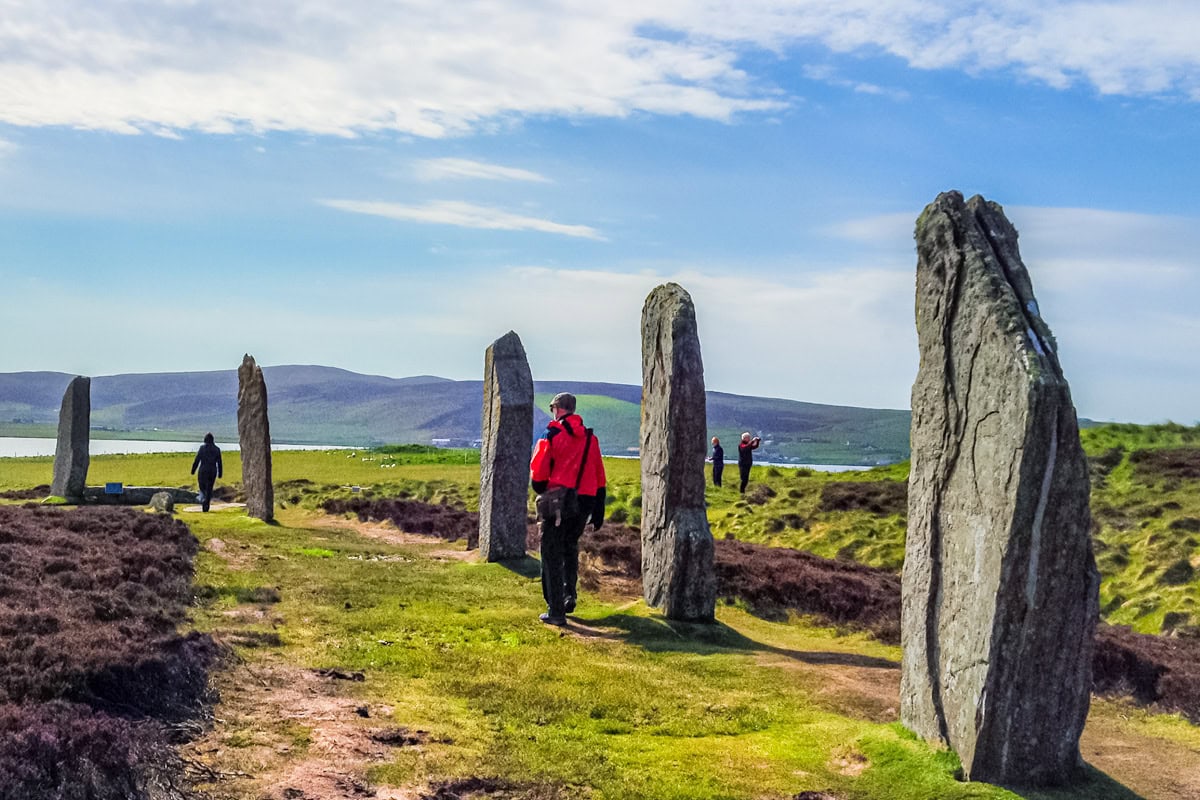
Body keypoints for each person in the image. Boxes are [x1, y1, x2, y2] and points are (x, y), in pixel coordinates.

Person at [530, 392, 606, 626]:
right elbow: (599, 474)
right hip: (585, 502)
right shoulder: (590, 439)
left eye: (552, 408)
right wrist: (599, 509)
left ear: (558, 409)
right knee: (570, 547)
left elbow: (538, 472)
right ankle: (568, 595)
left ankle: (556, 610)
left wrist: (540, 488)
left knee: (551, 553)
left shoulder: (551, 434)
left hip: (558, 503)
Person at [191, 432, 223, 512]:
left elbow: (197, 460)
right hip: (212, 471)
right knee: (210, 488)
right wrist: (220, 473)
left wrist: (193, 470)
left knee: (202, 486)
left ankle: (204, 499)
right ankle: (206, 504)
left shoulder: (202, 448)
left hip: (203, 470)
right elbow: (219, 463)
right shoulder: (217, 449)